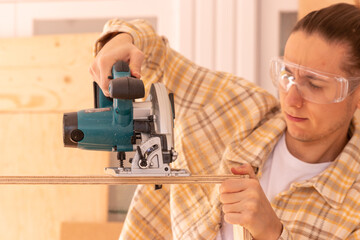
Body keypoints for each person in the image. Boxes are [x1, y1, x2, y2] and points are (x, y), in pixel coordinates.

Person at [90, 3, 360, 239]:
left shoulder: (353, 210)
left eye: (314, 84)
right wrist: (121, 42)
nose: (291, 99)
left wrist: (271, 233)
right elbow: (152, 54)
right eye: (287, 75)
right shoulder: (234, 107)